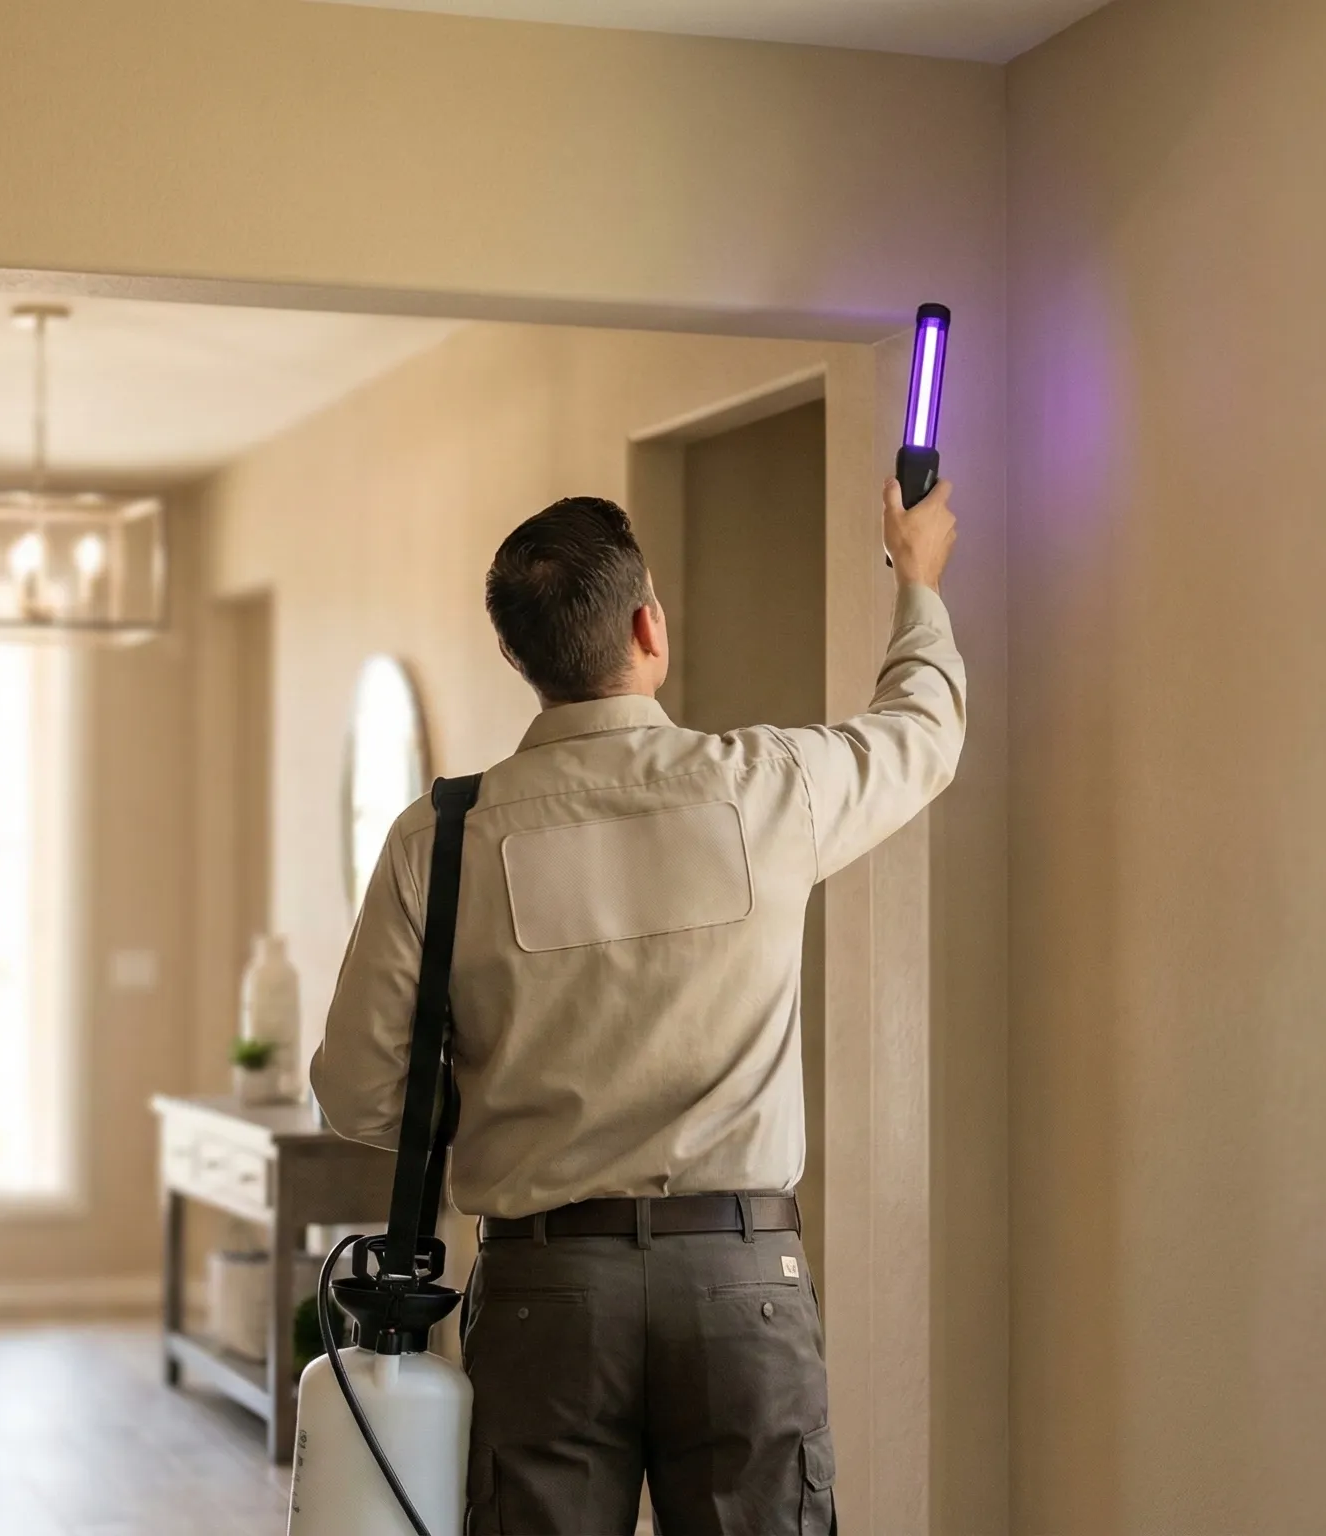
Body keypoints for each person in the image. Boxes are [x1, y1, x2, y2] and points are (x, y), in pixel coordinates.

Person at [313, 476, 965, 1536]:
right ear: (645, 625)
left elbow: (354, 1095)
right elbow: (920, 732)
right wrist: (917, 579)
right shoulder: (766, 787)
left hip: (541, 1291)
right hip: (741, 1280)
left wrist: (503, 1107)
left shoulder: (439, 841)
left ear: (522, 659)